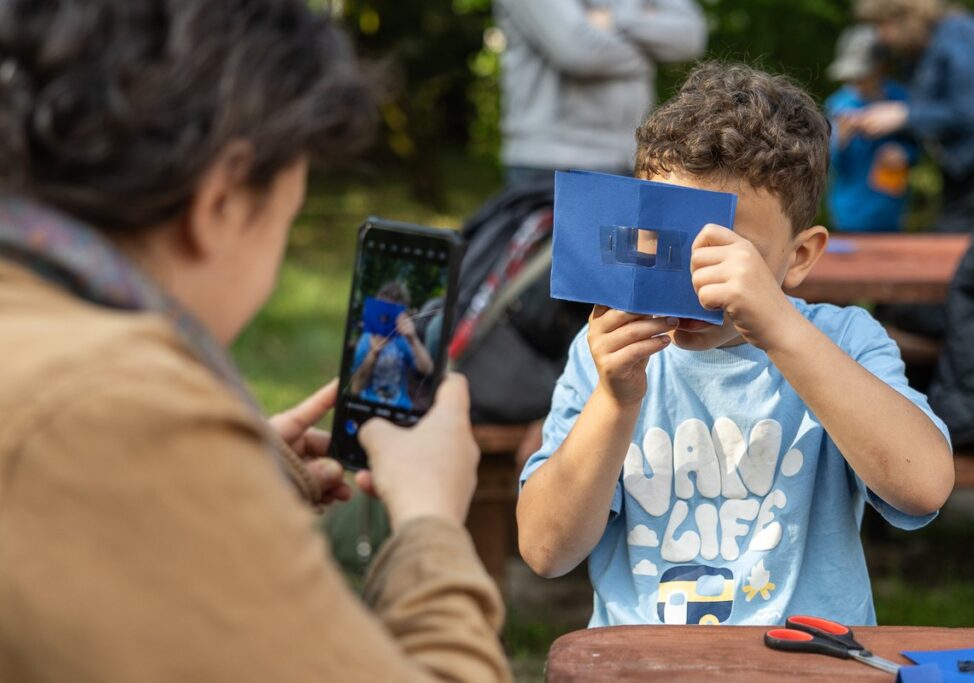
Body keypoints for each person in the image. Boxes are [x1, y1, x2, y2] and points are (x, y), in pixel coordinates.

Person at [0, 1, 511, 681]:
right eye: (286, 218)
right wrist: (429, 521)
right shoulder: (120, 408)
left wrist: (236, 480)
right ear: (223, 202)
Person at [516, 63, 954, 628]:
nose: (695, 279)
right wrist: (615, 401)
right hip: (646, 665)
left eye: (726, 251)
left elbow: (923, 487)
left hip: (806, 662)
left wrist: (782, 331)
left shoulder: (842, 341)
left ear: (798, 258)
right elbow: (547, 550)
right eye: (667, 244)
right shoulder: (606, 353)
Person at [851, 0, 974, 235]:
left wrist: (903, 115)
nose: (880, 37)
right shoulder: (919, 53)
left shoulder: (961, 35)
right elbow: (932, 118)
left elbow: (964, 113)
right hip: (963, 169)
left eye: (883, 26)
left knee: (962, 239)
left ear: (905, 18)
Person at [494, 0, 707, 185]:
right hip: (550, 163)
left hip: (632, 158)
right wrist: (647, 56)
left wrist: (613, 20)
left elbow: (690, 37)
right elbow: (580, 52)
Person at [825, 26, 918, 233]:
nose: (857, 82)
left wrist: (905, 154)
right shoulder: (838, 104)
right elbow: (826, 163)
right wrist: (840, 141)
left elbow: (917, 144)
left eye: (862, 75)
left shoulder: (900, 99)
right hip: (848, 213)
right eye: (851, 77)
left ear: (880, 68)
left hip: (891, 211)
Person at [351, 281, 435, 410]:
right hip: (368, 407)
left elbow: (428, 369)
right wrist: (373, 354)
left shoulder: (403, 340)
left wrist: (413, 339)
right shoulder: (366, 339)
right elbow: (356, 388)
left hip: (401, 408)